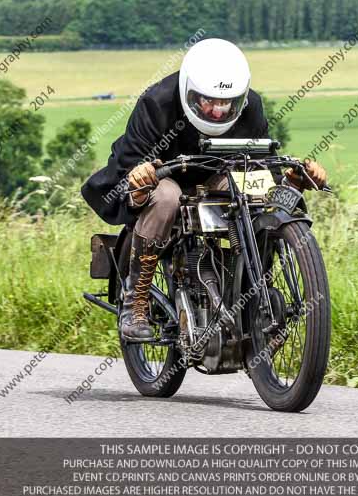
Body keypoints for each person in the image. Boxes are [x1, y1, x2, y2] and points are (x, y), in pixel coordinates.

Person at [81, 38, 328, 341]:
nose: (216, 111)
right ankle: (136, 302)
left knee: (256, 191)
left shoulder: (253, 107)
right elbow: (127, 166)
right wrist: (140, 179)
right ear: (189, 92)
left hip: (219, 176)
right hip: (166, 180)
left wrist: (291, 182)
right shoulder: (156, 103)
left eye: (227, 103)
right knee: (167, 198)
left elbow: (263, 167)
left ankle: (250, 292)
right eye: (208, 101)